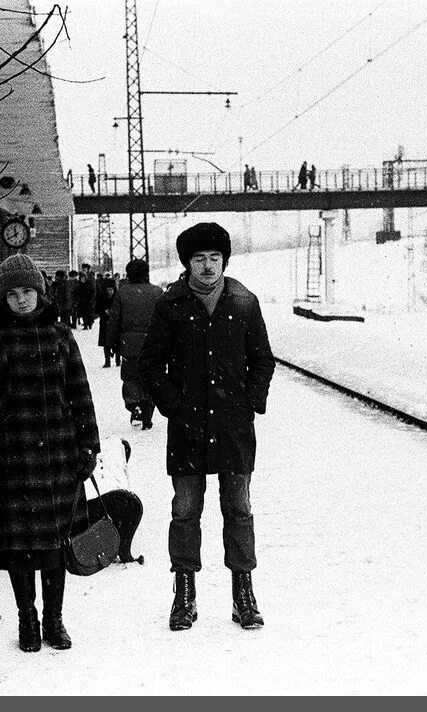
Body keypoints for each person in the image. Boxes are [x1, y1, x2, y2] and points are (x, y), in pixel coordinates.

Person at [137, 222, 275, 632]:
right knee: (185, 510)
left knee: (238, 509)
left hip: (233, 428)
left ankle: (243, 595)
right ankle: (184, 595)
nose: (208, 266)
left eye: (215, 258)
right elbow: (150, 363)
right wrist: (174, 406)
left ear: (224, 261)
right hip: (188, 428)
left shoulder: (244, 302)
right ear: (187, 263)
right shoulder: (170, 304)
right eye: (199, 259)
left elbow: (263, 360)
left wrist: (250, 403)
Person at [0, 253, 101, 653]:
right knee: (21, 549)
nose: (21, 300)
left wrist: (88, 444)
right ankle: (27, 618)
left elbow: (80, 393)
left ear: (41, 293)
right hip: (13, 459)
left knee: (55, 545)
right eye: (13, 294)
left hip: (58, 455)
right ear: (2, 298)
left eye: (28, 292)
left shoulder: (61, 335)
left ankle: (54, 621)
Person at [107, 258, 164, 430]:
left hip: (129, 344)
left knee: (131, 377)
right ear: (146, 273)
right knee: (151, 377)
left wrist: (110, 343)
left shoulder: (122, 293)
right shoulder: (157, 292)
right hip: (153, 344)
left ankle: (135, 404)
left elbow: (114, 319)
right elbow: (164, 321)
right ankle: (147, 411)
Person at [95, 279, 118, 367]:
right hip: (104, 322)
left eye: (111, 290)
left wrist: (113, 312)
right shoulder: (102, 299)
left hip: (115, 323)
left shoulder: (117, 298)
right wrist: (104, 311)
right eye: (108, 290)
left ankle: (117, 360)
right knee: (106, 343)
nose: (110, 292)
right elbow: (96, 309)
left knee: (117, 342)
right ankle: (107, 361)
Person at [76, 264, 96, 330]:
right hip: (82, 298)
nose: (83, 270)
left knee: (89, 311)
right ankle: (85, 324)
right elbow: (78, 288)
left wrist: (92, 298)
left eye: (85, 269)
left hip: (89, 298)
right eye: (83, 269)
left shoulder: (91, 277)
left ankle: (89, 323)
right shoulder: (81, 276)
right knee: (84, 312)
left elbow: (93, 289)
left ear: (88, 269)